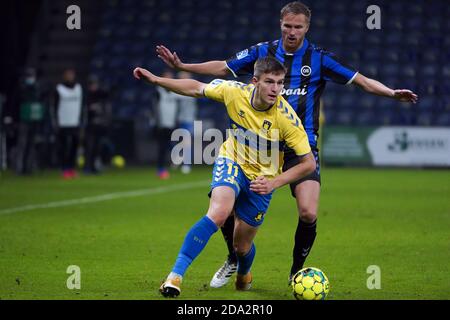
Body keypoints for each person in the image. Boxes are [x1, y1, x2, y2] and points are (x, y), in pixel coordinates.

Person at [155, 1, 418, 286]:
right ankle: (234, 256)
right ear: (281, 24)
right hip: (260, 147)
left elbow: (361, 81)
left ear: (307, 27)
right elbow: (223, 68)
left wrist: (391, 93)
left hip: (299, 147)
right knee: (225, 209)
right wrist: (183, 66)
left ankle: (296, 272)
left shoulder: (318, 58)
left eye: (298, 27)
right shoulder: (262, 53)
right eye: (287, 26)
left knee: (308, 211)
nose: (292, 32)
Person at [133, 57, 316, 298]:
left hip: (262, 179)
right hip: (232, 160)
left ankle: (244, 272)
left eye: (280, 83)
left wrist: (274, 182)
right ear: (255, 82)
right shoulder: (233, 91)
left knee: (242, 246)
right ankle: (175, 277)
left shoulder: (287, 119)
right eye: (269, 82)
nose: (276, 89)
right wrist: (157, 80)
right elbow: (197, 88)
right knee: (219, 212)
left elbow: (308, 163)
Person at [51, 68, 83, 179]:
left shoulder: (78, 88)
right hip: (63, 123)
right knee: (64, 147)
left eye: (72, 75)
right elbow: (54, 106)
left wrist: (82, 119)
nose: (70, 77)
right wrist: (55, 122)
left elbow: (82, 105)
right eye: (68, 75)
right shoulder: (59, 89)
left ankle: (71, 168)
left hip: (75, 122)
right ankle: (64, 168)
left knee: (74, 147)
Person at [16, 67, 46, 175]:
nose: (30, 78)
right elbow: (21, 98)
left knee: (32, 144)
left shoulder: (37, 86)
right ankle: (19, 167)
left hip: (34, 117)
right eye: (29, 76)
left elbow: (41, 98)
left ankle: (29, 167)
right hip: (24, 118)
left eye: (32, 76)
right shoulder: (22, 86)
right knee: (22, 143)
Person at [153, 70, 178, 179]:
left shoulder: (175, 91)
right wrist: (157, 122)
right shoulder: (158, 92)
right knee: (162, 147)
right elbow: (154, 108)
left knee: (168, 147)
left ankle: (165, 167)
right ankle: (160, 169)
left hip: (171, 123)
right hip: (161, 124)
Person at [83, 75, 111, 174]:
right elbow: (85, 113)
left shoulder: (101, 96)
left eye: (94, 84)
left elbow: (109, 95)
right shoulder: (87, 97)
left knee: (97, 147)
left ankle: (94, 167)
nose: (93, 86)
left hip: (99, 125)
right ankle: (87, 167)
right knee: (89, 147)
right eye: (91, 84)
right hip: (90, 125)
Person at [175, 71, 198, 174]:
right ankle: (178, 161)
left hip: (189, 119)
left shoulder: (190, 90)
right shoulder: (178, 90)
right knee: (179, 142)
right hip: (179, 119)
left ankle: (186, 164)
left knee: (187, 143)